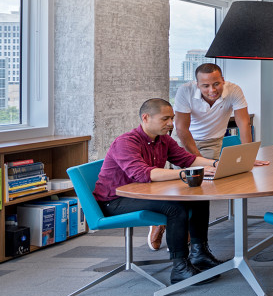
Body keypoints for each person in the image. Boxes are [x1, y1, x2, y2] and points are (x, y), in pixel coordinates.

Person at [94, 99, 223, 284]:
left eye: (172, 118)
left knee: (199, 196)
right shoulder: (126, 142)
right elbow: (142, 174)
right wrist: (183, 174)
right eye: (165, 119)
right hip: (114, 200)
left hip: (143, 193)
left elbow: (187, 159)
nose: (171, 124)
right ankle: (179, 268)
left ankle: (199, 253)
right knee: (175, 209)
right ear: (146, 118)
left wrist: (217, 164)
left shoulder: (163, 140)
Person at [147, 63, 266, 251]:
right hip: (185, 141)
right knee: (186, 187)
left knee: (200, 189)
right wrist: (197, 160)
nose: (212, 90)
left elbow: (244, 123)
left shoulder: (234, 90)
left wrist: (248, 154)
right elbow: (181, 128)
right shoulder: (185, 92)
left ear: (223, 81)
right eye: (206, 86)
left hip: (214, 141)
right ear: (197, 84)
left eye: (216, 84)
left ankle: (178, 227)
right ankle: (169, 226)